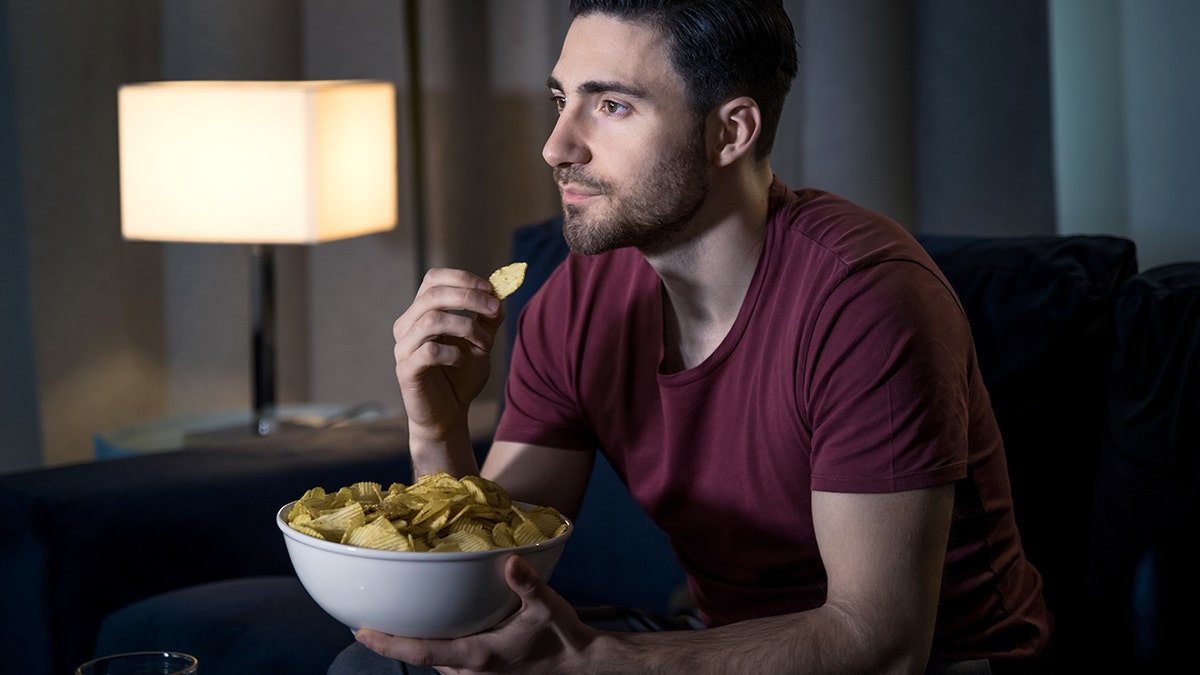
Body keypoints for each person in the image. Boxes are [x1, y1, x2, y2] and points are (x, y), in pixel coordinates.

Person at [334, 0, 1054, 672]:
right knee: (381, 663)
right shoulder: (574, 306)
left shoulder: (865, 299)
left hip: (944, 661)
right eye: (563, 100)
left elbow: (882, 639)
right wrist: (437, 424)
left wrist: (603, 662)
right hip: (713, 647)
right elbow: (495, 579)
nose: (556, 146)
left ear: (730, 132)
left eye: (611, 105)